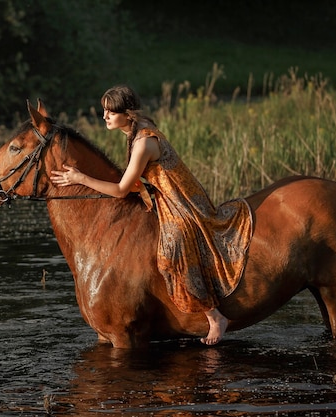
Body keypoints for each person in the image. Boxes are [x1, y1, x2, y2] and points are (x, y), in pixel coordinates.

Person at [49, 85, 253, 345]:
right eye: (104, 111)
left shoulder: (143, 141)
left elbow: (122, 190)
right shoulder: (134, 131)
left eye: (111, 112)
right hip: (165, 197)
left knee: (172, 245)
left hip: (180, 202)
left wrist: (81, 178)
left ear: (128, 113)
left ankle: (214, 316)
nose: (105, 117)